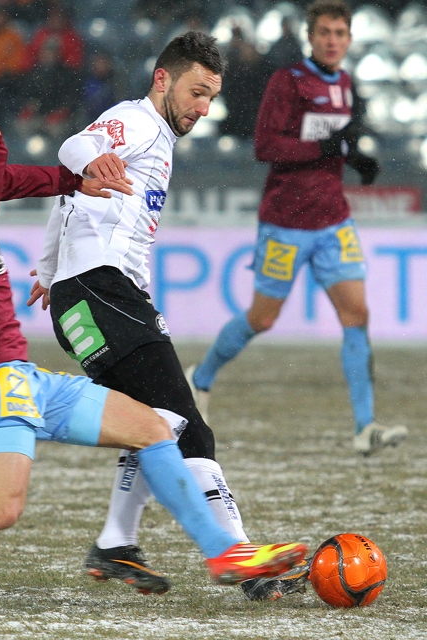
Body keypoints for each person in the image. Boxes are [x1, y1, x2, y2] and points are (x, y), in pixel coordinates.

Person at [0, 93, 307, 622]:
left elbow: (5, 183)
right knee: (0, 509)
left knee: (156, 429)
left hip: (18, 375)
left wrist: (76, 181)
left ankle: (222, 552)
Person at [28, 31, 294, 599]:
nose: (203, 109)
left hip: (99, 294)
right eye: (196, 93)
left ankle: (117, 544)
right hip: (102, 291)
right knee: (188, 427)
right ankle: (241, 561)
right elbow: (74, 149)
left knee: (154, 426)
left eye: (211, 99)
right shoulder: (140, 122)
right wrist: (92, 159)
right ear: (162, 79)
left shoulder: (160, 141)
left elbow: (70, 193)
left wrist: (49, 270)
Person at [186, 0, 408, 458]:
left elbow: (336, 140)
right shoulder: (287, 82)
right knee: (263, 319)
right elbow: (265, 146)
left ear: (349, 40)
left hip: (333, 219)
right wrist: (324, 146)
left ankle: (365, 427)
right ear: (310, 37)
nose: (332, 40)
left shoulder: (345, 83)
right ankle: (200, 378)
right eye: (324, 32)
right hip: (286, 222)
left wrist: (354, 155)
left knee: (357, 315)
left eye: (339, 33)